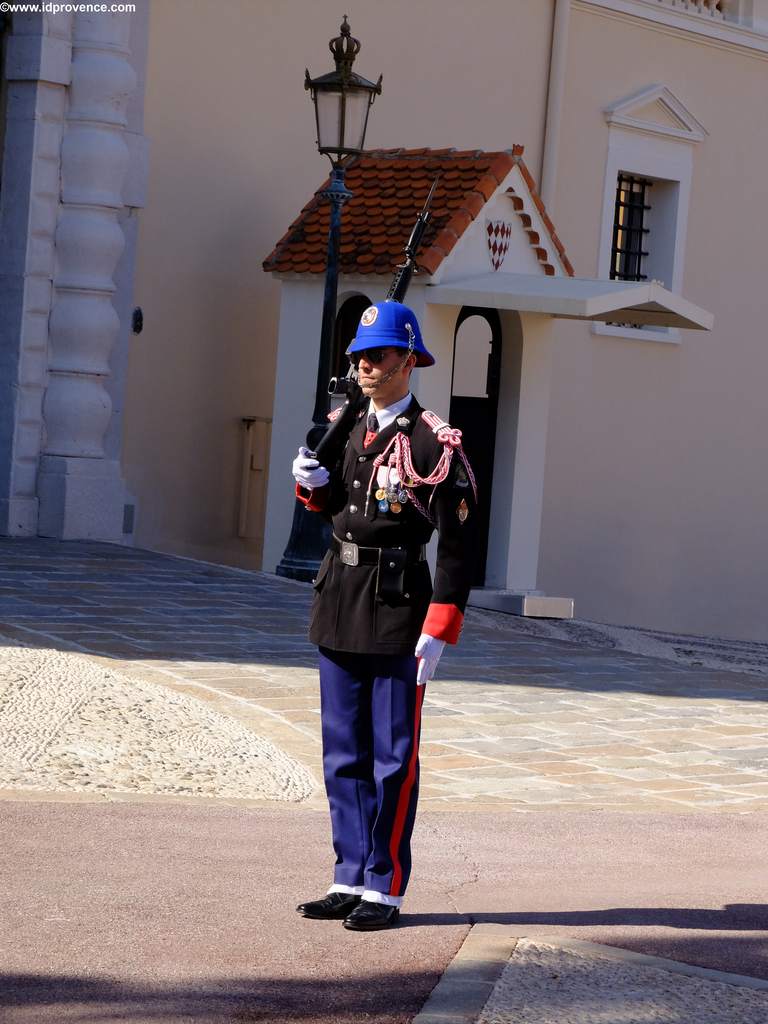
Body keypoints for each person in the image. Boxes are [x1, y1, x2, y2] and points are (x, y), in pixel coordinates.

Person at [291, 300, 478, 931]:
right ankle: (348, 873)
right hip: (340, 593)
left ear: (408, 361)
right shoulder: (344, 426)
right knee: (341, 751)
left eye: (378, 357)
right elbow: (336, 508)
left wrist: (442, 623)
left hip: (399, 604)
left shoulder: (432, 440)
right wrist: (312, 483)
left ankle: (385, 885)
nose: (365, 367)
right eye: (359, 358)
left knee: (392, 755)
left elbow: (456, 544)